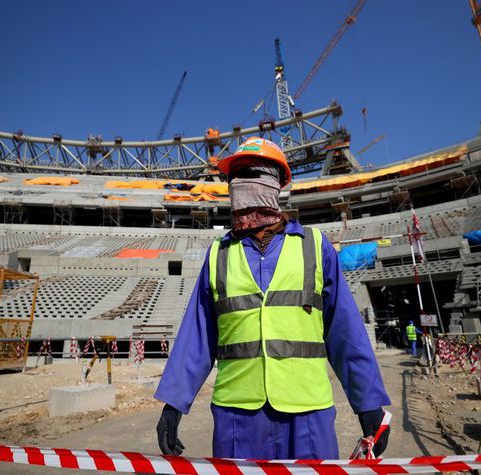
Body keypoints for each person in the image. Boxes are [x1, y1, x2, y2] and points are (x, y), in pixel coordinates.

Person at [154, 137, 391, 460]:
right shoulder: (218, 256)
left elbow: (345, 332)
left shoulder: (314, 247)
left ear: (274, 183)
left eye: (249, 173)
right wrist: (174, 403)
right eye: (233, 178)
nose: (239, 184)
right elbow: (197, 338)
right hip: (237, 415)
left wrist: (368, 404)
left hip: (307, 412)